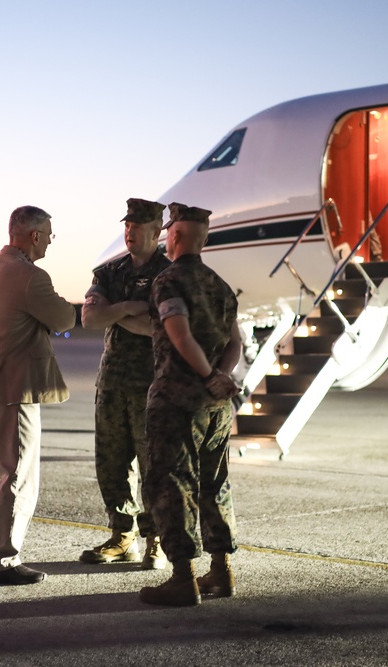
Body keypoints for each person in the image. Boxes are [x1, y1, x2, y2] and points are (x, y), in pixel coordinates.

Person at [0, 205, 77, 585]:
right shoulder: (29, 276)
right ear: (33, 235)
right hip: (14, 389)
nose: (49, 240)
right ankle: (3, 559)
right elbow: (64, 319)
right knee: (20, 474)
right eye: (48, 234)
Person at [139, 202, 242, 607]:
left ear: (174, 236)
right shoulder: (220, 285)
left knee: (171, 486)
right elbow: (235, 342)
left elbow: (179, 336)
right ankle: (221, 570)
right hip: (215, 407)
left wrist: (203, 375)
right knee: (215, 485)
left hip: (178, 402)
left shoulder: (169, 280)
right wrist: (220, 377)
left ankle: (182, 578)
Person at [79, 198, 171, 570]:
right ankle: (122, 535)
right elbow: (90, 318)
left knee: (154, 466)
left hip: (153, 384)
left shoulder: (169, 273)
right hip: (113, 383)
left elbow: (161, 327)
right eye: (127, 226)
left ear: (156, 231)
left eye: (137, 227)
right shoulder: (109, 272)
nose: (129, 232)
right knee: (111, 464)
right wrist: (129, 309)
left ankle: (157, 540)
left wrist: (115, 315)